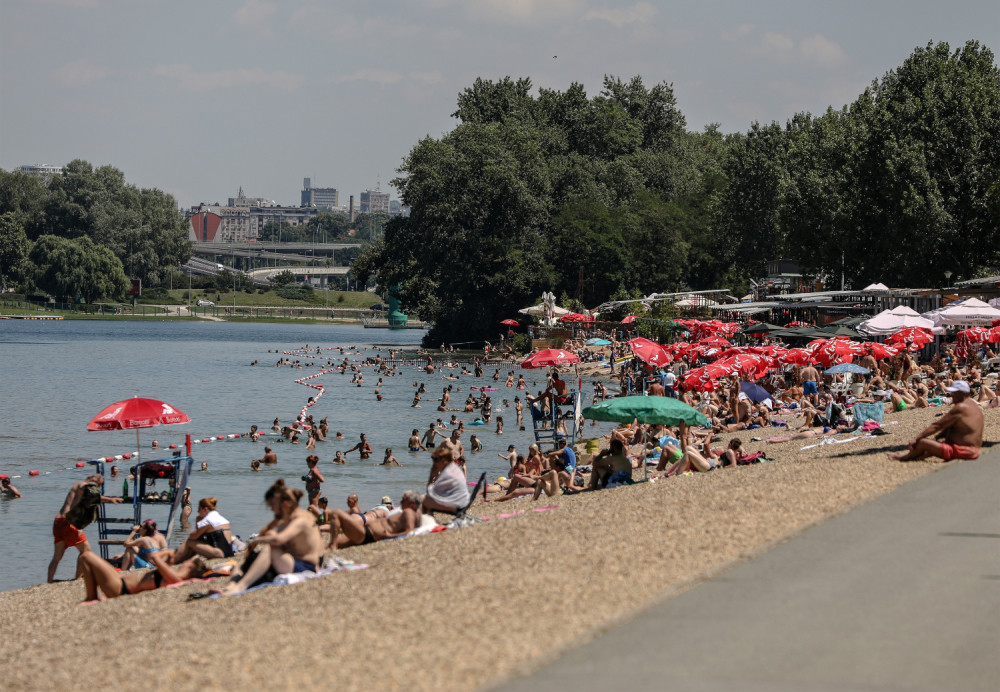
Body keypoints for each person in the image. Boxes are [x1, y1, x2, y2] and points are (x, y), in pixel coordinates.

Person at [212, 479, 325, 596]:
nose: (271, 509)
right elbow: (274, 534)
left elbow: (279, 540)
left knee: (269, 548)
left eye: (273, 506)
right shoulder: (285, 519)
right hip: (290, 561)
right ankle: (230, 587)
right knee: (241, 565)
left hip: (305, 566)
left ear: (284, 504)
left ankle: (241, 587)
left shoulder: (301, 520)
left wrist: (256, 540)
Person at [48, 474, 123, 583]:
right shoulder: (84, 485)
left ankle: (49, 581)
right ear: (93, 480)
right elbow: (91, 494)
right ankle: (78, 578)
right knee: (86, 550)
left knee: (57, 557)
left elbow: (89, 497)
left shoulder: (77, 485)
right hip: (69, 523)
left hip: (58, 521)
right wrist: (110, 499)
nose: (97, 487)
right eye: (99, 484)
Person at [887, 381, 984, 461]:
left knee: (922, 442)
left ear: (962, 394)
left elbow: (937, 425)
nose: (952, 395)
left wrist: (916, 438)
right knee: (933, 443)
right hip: (972, 449)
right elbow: (949, 428)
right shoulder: (972, 405)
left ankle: (903, 458)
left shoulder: (961, 407)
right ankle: (915, 456)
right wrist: (937, 438)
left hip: (964, 451)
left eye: (954, 393)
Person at [80, 548, 206, 602]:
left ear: (191, 566)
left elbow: (154, 557)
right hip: (119, 580)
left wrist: (167, 551)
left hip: (119, 588)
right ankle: (92, 596)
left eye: (187, 561)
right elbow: (158, 566)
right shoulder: (173, 574)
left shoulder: (176, 578)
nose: (184, 561)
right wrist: (168, 561)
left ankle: (91, 597)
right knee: (93, 560)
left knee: (86, 556)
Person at [330, 490, 423, 548]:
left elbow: (409, 531)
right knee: (331, 545)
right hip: (366, 533)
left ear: (412, 503)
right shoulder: (408, 513)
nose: (401, 501)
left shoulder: (409, 512)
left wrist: (389, 536)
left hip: (368, 534)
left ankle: (332, 546)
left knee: (336, 512)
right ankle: (332, 546)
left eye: (404, 499)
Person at [423, 444, 471, 513]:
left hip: (457, 505)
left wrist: (431, 477)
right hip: (461, 502)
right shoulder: (455, 468)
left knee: (424, 500)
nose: (434, 463)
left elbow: (431, 493)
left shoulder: (449, 472)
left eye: (436, 460)